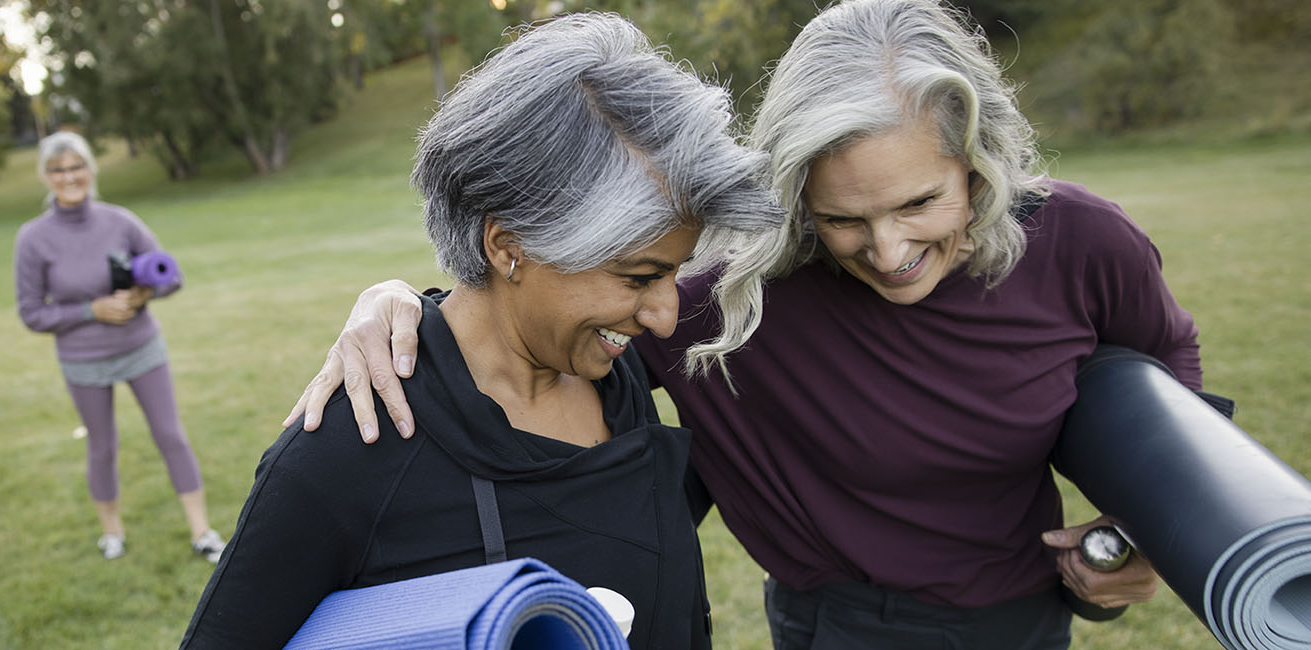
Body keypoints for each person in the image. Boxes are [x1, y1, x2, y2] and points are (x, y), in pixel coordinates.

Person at [285, 0, 1202, 647]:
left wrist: (1150, 528)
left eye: (921, 202)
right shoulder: (725, 303)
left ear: (977, 159)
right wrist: (403, 304)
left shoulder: (1082, 242)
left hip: (1026, 616)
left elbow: (1166, 363)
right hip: (836, 627)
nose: (888, 251)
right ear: (795, 197)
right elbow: (537, 317)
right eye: (843, 218)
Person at [179, 13, 780, 649]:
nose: (665, 315)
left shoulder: (616, 373)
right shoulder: (350, 448)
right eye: (638, 277)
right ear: (507, 245)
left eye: (675, 273)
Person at [13, 131, 226, 562]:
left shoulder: (120, 222)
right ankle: (112, 533)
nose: (69, 176)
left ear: (90, 169)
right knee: (102, 446)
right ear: (45, 176)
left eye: (77, 166)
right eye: (58, 169)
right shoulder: (33, 238)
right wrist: (91, 310)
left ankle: (202, 531)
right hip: (83, 361)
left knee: (170, 434)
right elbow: (32, 312)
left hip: (140, 347)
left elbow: (172, 276)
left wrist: (145, 293)